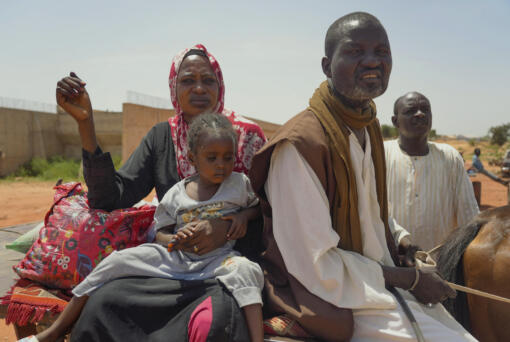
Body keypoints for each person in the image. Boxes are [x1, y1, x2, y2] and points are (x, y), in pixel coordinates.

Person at [249, 12, 476, 341]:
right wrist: (406, 280)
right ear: (327, 66)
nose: (372, 62)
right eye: (356, 52)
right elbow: (316, 265)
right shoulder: (300, 145)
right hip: (330, 294)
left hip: (376, 279)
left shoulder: (366, 124)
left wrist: (399, 238)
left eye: (381, 52)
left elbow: (368, 214)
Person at [51, 44, 266, 341]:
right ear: (173, 88)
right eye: (188, 80)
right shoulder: (161, 137)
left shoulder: (246, 136)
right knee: (105, 304)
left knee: (213, 324)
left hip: (223, 271)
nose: (200, 88)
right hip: (171, 268)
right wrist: (86, 124)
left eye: (209, 80)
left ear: (221, 84)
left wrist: (226, 227)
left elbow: (270, 209)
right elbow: (110, 198)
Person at [384, 91, 479, 251]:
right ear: (395, 121)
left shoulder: (449, 157)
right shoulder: (379, 154)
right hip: (391, 263)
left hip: (440, 264)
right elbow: (370, 211)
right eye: (410, 111)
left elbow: (468, 214)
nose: (420, 114)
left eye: (425, 110)